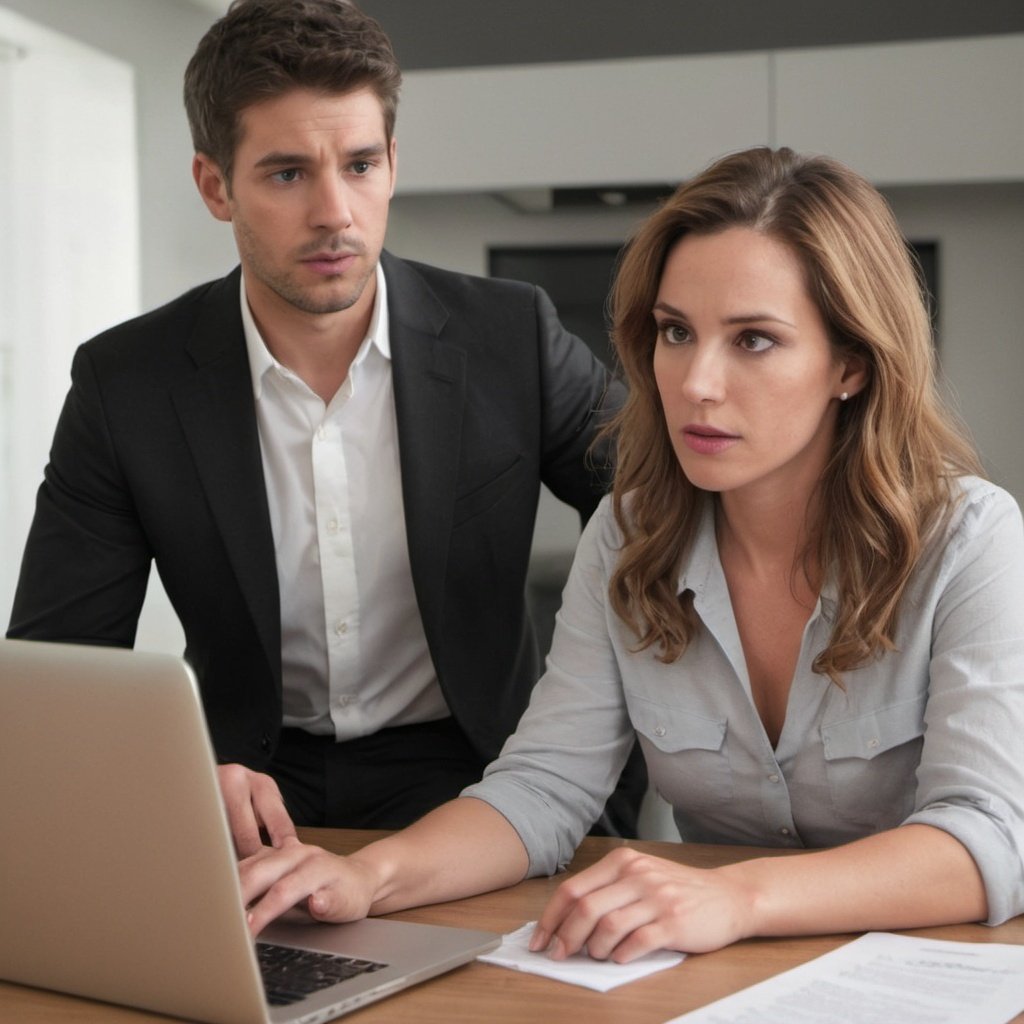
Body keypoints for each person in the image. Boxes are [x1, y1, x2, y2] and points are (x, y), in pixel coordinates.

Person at [234, 146, 1024, 958]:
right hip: (713, 983)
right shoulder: (627, 534)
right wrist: (369, 876)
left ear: (850, 364)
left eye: (753, 340)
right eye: (676, 332)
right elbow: (542, 788)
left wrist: (735, 897)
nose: (695, 382)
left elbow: (986, 834)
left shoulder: (967, 540)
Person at [6, 0, 642, 844]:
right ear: (214, 187)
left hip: (485, 773)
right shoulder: (126, 384)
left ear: (392, 164)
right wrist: (173, 779)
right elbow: (58, 671)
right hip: (245, 791)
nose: (335, 212)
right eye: (286, 173)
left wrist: (613, 772)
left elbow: (669, 513)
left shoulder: (509, 335)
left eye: (359, 164)